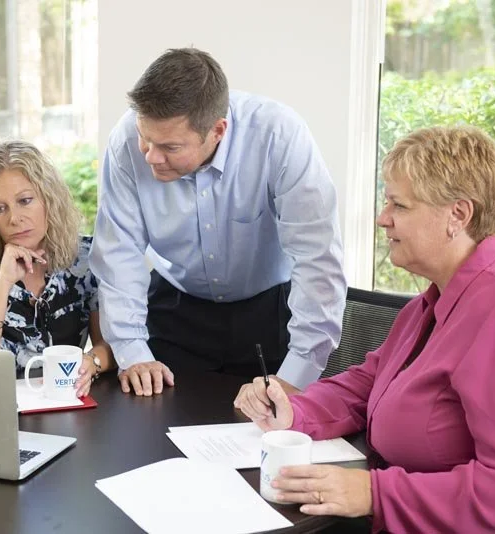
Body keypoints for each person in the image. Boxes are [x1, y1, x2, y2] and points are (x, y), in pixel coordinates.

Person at [235, 125, 495, 532]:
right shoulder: (438, 298)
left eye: (398, 205)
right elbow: (371, 382)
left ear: (458, 214)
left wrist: (373, 493)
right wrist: (293, 409)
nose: (383, 219)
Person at [90, 47, 346, 397]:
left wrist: (297, 374)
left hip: (268, 313)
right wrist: (132, 351)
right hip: (174, 309)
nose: (150, 156)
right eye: (145, 138)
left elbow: (317, 260)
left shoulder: (279, 136)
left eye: (170, 147)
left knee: (263, 433)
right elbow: (119, 252)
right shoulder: (125, 142)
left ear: (218, 130)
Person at [0, 140, 114, 397]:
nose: (15, 218)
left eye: (25, 200)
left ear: (49, 199)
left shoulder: (86, 258)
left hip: (64, 406)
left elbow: (114, 344)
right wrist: (2, 283)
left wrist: (92, 362)